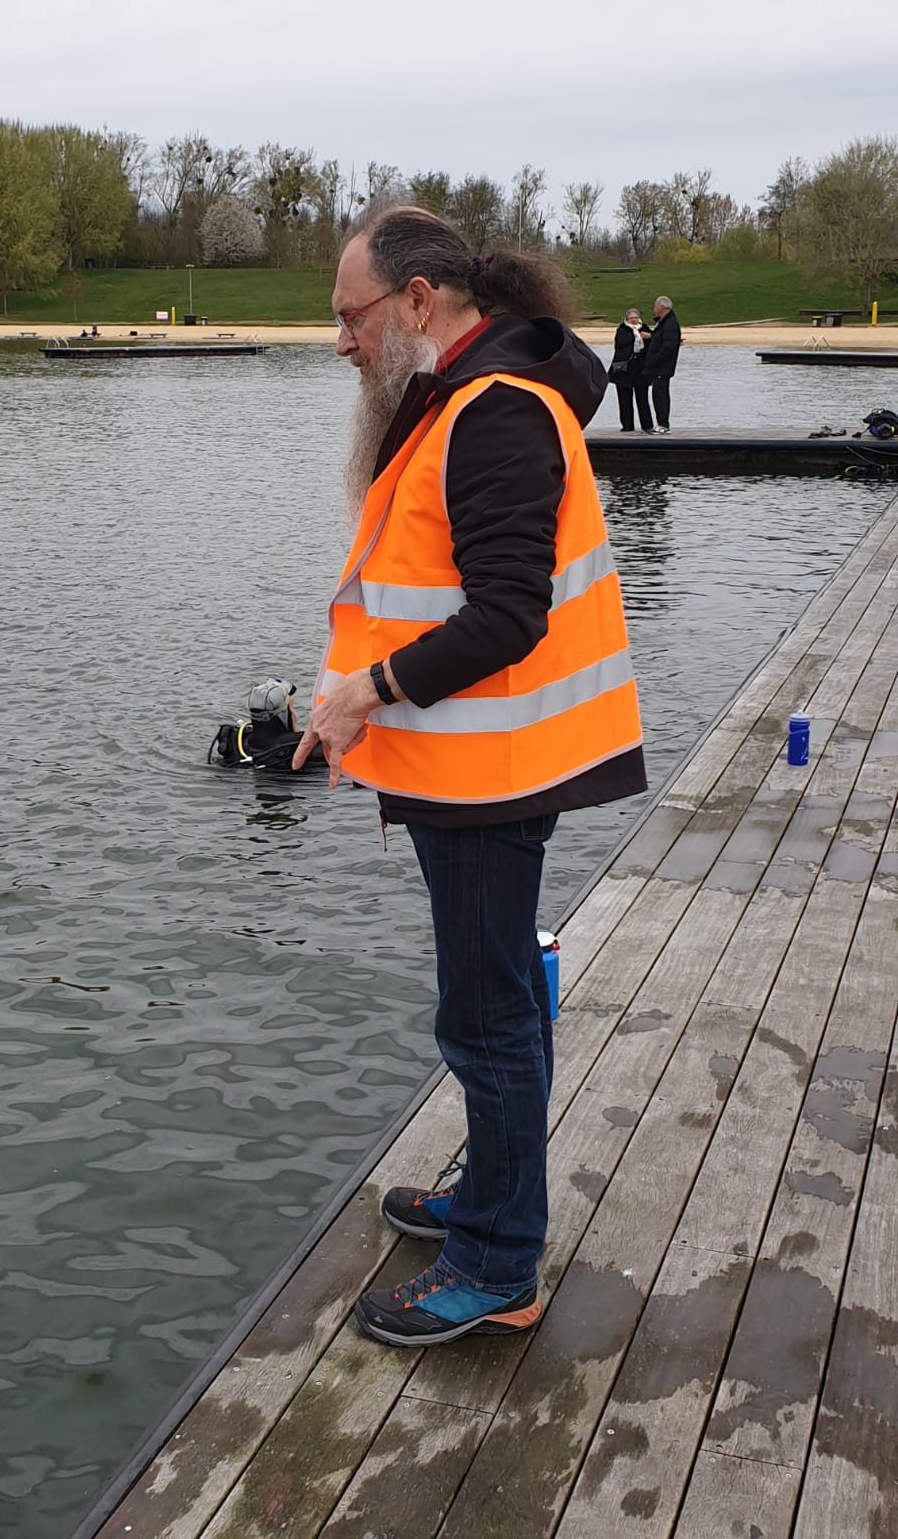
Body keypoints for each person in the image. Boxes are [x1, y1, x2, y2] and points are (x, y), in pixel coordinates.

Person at [292, 207, 646, 1348]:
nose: (340, 340)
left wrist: (368, 689)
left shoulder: (493, 411)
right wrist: (357, 695)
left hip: (493, 774)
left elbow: (507, 613)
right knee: (489, 1009)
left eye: (350, 316)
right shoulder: (465, 394)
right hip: (470, 766)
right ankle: (492, 1204)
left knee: (487, 1019)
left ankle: (497, 1261)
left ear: (418, 300)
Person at [640, 296, 681, 433]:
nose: (654, 309)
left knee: (661, 395)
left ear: (662, 308)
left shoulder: (670, 323)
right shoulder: (663, 322)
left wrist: (654, 360)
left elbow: (668, 347)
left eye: (655, 306)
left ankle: (663, 424)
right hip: (658, 367)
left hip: (662, 367)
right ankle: (661, 423)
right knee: (657, 394)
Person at [608, 308, 652, 432]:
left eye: (635, 317)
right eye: (631, 318)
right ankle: (627, 426)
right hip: (624, 371)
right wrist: (636, 336)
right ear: (627, 319)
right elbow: (620, 343)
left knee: (642, 399)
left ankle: (647, 425)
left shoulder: (645, 328)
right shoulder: (622, 329)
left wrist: (648, 336)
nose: (633, 320)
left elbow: (653, 339)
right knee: (624, 400)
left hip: (640, 370)